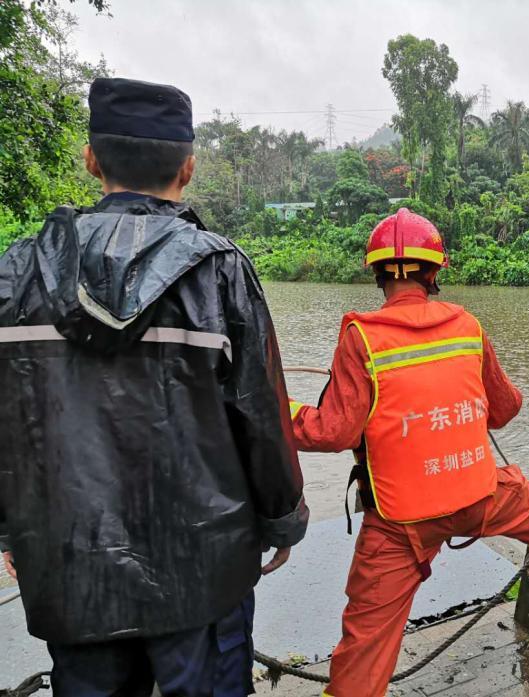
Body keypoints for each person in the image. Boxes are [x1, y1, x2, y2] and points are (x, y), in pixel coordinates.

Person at [0, 78, 308, 695]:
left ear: (91, 159)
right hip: (204, 571)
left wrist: (10, 530)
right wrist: (282, 520)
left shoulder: (17, 271)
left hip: (70, 563)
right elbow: (261, 416)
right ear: (188, 168)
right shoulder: (220, 273)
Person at [288, 209, 529, 697]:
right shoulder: (467, 326)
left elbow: (333, 431)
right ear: (434, 272)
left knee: (365, 644)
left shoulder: (361, 336)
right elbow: (506, 408)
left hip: (398, 523)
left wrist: (277, 411)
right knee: (524, 499)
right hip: (476, 497)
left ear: (378, 273)